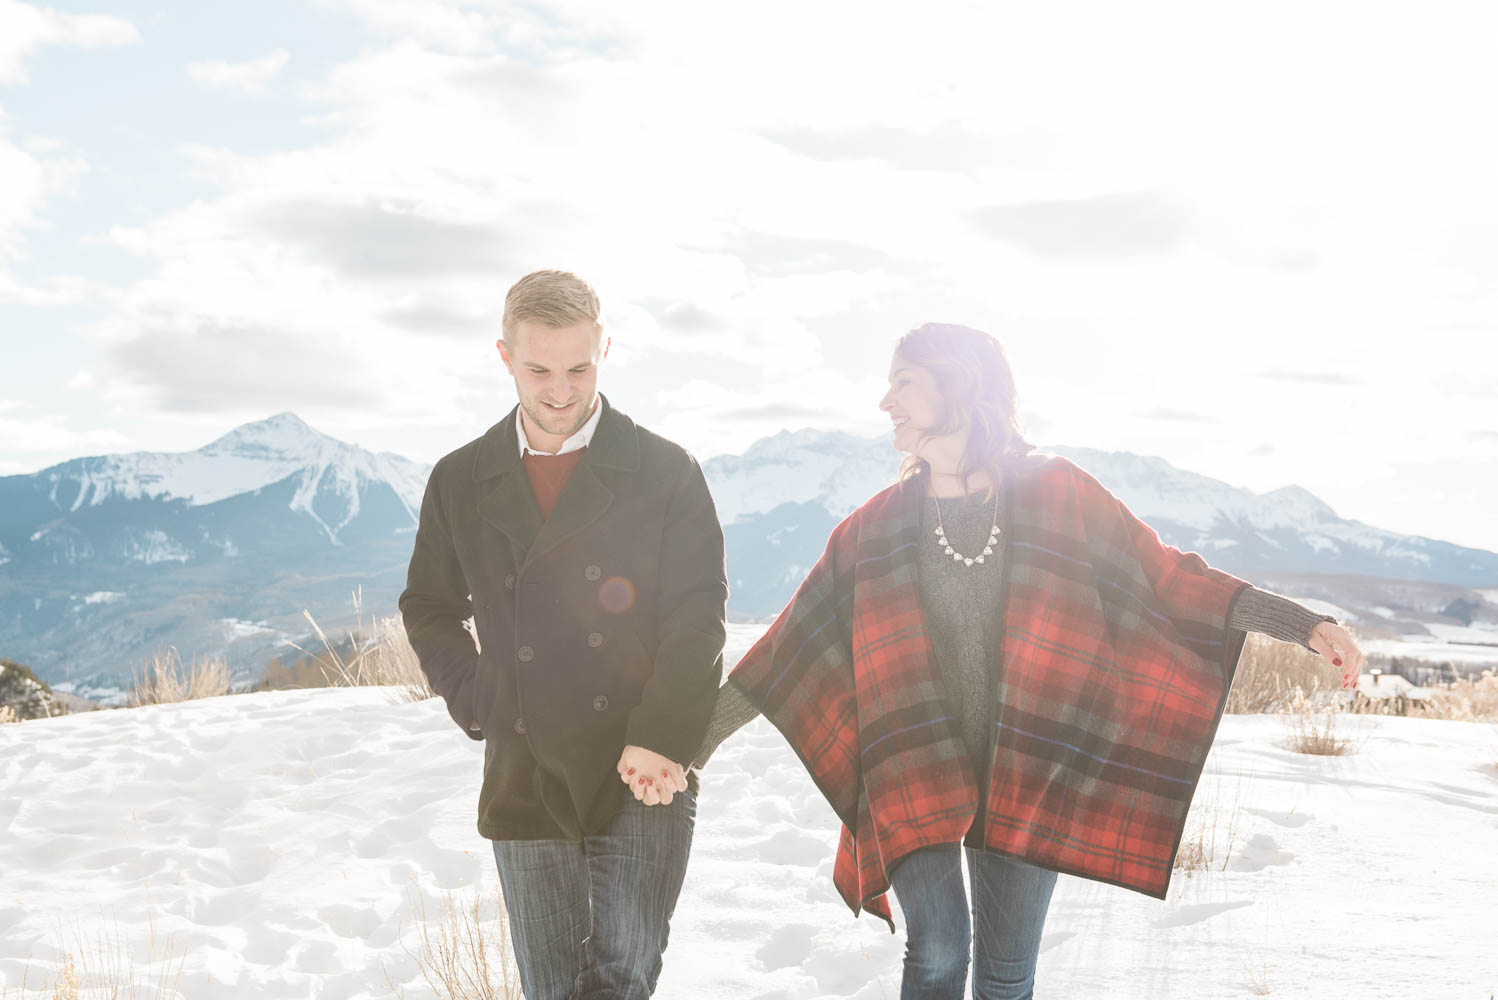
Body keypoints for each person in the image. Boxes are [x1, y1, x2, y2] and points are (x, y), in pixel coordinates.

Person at [682, 323, 1364, 1000]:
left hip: (1030, 767)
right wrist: (687, 744)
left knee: (1006, 980)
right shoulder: (875, 528)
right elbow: (784, 650)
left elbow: (1170, 578)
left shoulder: (1059, 492)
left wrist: (1303, 624)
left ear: (960, 384)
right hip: (912, 766)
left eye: (904, 383)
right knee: (941, 944)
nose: (885, 402)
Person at [400, 269, 727, 999]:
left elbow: (698, 610)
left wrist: (664, 735)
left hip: (642, 764)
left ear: (605, 349)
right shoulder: (461, 478)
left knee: (621, 979)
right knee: (552, 990)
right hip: (525, 768)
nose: (559, 390)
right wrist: (481, 697)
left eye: (579, 367)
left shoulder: (665, 470)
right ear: (504, 355)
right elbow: (428, 606)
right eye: (538, 368)